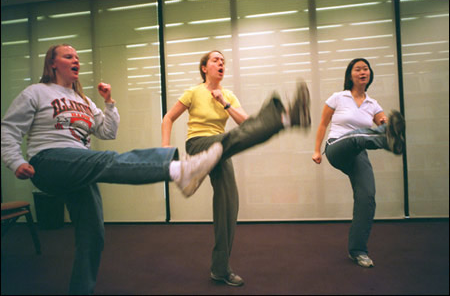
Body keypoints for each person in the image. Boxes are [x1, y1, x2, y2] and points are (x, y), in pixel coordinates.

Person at [0, 44, 224, 295]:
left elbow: (108, 132)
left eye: (77, 57)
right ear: (53, 63)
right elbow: (8, 129)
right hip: (47, 161)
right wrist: (15, 161)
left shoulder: (82, 100)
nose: (76, 60)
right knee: (105, 161)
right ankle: (177, 170)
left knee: (93, 236)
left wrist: (109, 103)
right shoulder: (36, 92)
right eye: (68, 56)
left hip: (79, 166)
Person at [162, 50, 311, 286]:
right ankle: (284, 119)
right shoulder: (193, 92)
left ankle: (220, 269)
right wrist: (166, 150)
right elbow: (168, 118)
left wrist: (225, 102)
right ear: (204, 68)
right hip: (199, 144)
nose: (220, 63)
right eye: (215, 60)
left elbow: (247, 125)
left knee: (229, 205)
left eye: (223, 61)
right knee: (229, 139)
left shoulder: (227, 94)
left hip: (222, 148)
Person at [312, 58, 405, 268]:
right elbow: (322, 124)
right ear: (350, 75)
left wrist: (386, 126)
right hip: (337, 147)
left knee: (367, 197)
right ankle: (388, 142)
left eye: (366, 69)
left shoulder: (373, 104)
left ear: (369, 74)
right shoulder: (338, 97)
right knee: (356, 136)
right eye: (358, 69)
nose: (362, 72)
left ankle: (358, 250)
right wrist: (317, 150)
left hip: (358, 153)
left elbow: (383, 122)